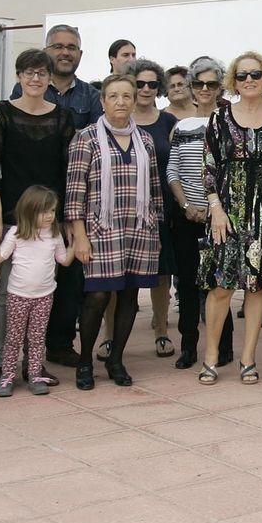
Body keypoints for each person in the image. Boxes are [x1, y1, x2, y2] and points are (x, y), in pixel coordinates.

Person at [199, 51, 262, 386]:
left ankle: (248, 358)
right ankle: (211, 355)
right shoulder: (218, 120)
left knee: (257, 288)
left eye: (256, 75)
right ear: (233, 81)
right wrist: (215, 209)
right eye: (242, 76)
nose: (250, 81)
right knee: (221, 287)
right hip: (226, 214)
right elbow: (208, 167)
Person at [65, 75, 163, 390]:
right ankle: (84, 361)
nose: (120, 102)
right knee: (97, 295)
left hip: (138, 229)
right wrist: (79, 235)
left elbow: (155, 190)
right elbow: (74, 193)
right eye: (113, 96)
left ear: (135, 100)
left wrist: (156, 230)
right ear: (103, 101)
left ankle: (116, 358)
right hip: (100, 229)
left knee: (130, 296)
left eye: (126, 96)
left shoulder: (145, 140)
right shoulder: (86, 138)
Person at [0, 49, 76, 380]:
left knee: (43, 291)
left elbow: (68, 171)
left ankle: (33, 363)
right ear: (19, 76)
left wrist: (66, 219)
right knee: (9, 293)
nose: (35, 78)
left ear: (50, 78)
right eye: (28, 72)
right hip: (12, 215)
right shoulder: (2, 112)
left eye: (41, 73)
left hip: (50, 218)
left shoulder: (63, 117)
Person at [14, 24, 101, 368]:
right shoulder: (29, 88)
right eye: (58, 46)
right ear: (46, 51)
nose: (65, 52)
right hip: (25, 197)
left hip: (69, 196)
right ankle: (6, 347)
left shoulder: (91, 97)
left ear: (80, 54)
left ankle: (60, 344)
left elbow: (94, 146)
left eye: (72, 47)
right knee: (20, 277)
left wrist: (73, 211)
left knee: (67, 279)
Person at [166, 57, 233, 371]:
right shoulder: (182, 126)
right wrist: (185, 206)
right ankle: (189, 346)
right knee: (189, 284)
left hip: (220, 218)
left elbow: (231, 174)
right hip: (187, 217)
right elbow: (173, 170)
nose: (204, 89)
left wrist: (213, 209)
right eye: (198, 83)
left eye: (211, 84)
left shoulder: (230, 123)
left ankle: (225, 346)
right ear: (191, 87)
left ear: (220, 87)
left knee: (220, 282)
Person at [0, 186, 70, 396]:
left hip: (44, 296)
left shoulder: (55, 235)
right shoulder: (16, 232)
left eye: (52, 211)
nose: (50, 216)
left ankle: (35, 375)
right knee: (13, 337)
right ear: (29, 210)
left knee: (37, 338)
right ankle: (7, 377)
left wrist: (75, 243)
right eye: (44, 211)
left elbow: (64, 260)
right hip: (18, 296)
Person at [121, 59, 176, 360]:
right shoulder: (119, 118)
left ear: (159, 88)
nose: (145, 89)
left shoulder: (167, 121)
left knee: (161, 273)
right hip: (122, 207)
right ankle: (110, 336)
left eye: (152, 84)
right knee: (119, 274)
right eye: (139, 83)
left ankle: (161, 330)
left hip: (160, 205)